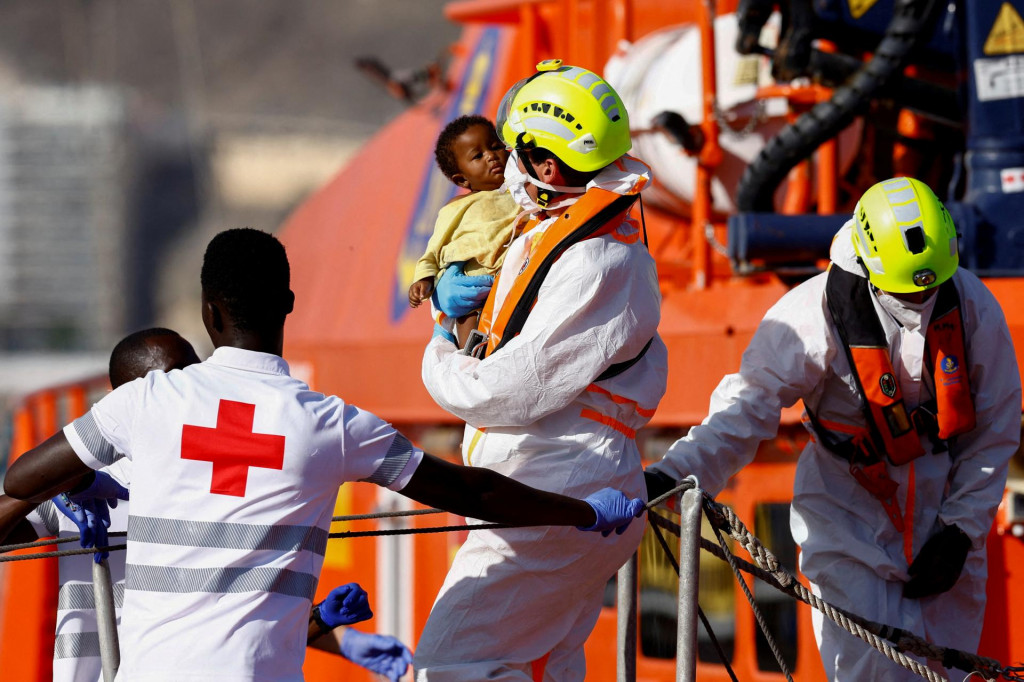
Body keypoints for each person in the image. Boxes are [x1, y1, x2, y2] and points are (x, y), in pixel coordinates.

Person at [3, 227, 646, 682]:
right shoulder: (331, 424)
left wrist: (78, 484)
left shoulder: (147, 401)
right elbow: (473, 492)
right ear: (287, 304)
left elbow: (20, 476)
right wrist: (583, 514)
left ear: (208, 310)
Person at [644, 177, 1021, 681]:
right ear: (870, 266)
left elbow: (995, 427)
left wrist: (961, 528)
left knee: (947, 669)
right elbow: (746, 407)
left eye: (931, 286)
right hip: (847, 513)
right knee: (865, 669)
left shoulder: (972, 306)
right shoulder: (812, 314)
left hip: (945, 504)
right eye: (910, 290)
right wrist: (673, 475)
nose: (923, 299)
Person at [416, 60, 668, 681]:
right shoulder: (568, 231)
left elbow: (509, 390)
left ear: (548, 167)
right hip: (560, 489)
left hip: (551, 491)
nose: (506, 165)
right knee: (544, 664)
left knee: (452, 664)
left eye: (515, 152)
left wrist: (441, 347)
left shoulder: (595, 260)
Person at [0, 329, 413, 682]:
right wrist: (52, 489)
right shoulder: (86, 484)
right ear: (126, 399)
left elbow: (224, 632)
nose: (194, 390)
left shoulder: (222, 484)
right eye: (174, 380)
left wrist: (325, 624)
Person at [408, 115, 520, 347]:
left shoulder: (523, 189)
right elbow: (433, 251)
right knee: (470, 325)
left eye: (495, 146)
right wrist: (425, 279)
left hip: (515, 272)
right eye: (477, 156)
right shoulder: (456, 208)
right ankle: (469, 360)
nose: (490, 156)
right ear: (462, 178)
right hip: (473, 280)